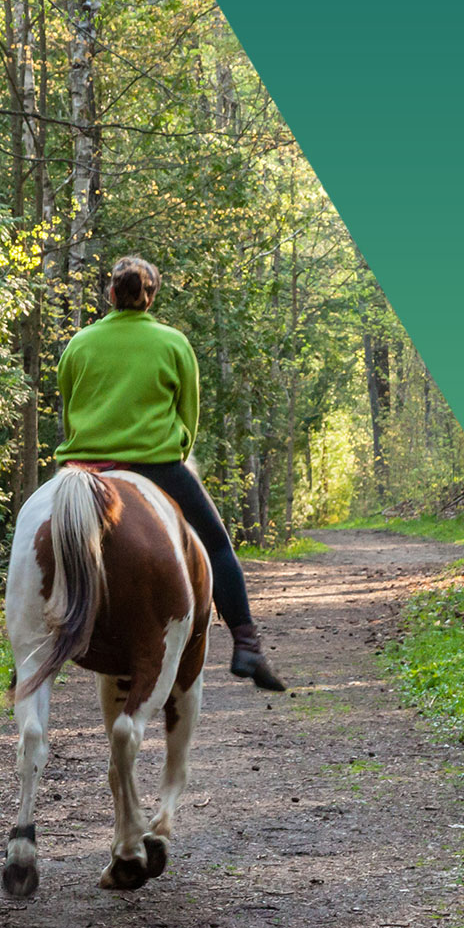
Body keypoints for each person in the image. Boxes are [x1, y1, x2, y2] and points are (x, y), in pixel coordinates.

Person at [52, 255, 286, 692]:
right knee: (217, 544)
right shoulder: (173, 343)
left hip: (83, 467)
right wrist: (172, 450)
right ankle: (247, 644)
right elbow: (188, 420)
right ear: (151, 295)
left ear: (110, 294)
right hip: (156, 466)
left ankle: (26, 646)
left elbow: (70, 412)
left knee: (36, 539)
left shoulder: (79, 343)